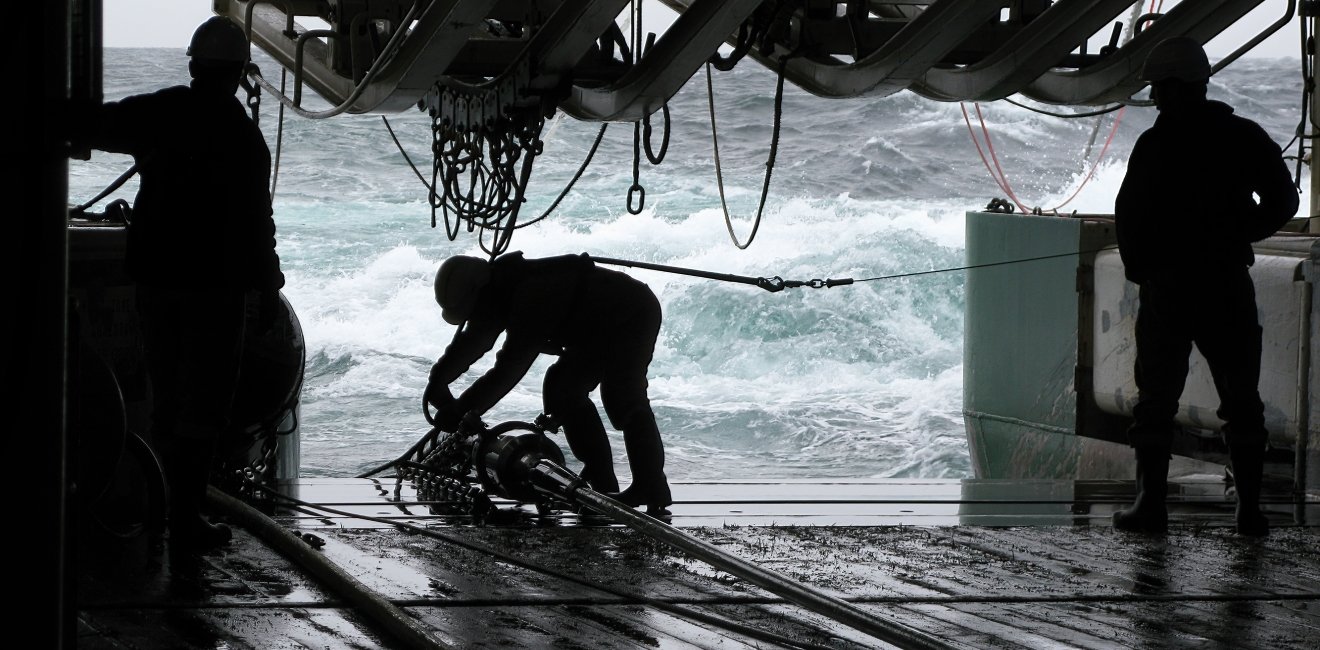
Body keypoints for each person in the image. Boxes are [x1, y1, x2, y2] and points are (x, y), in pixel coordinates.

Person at [75, 17, 285, 552]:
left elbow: (95, 126)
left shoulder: (161, 112)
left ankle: (169, 513)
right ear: (242, 73)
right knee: (206, 406)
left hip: (159, 283)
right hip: (216, 291)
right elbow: (257, 225)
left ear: (192, 64)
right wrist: (268, 288)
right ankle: (186, 518)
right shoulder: (244, 137)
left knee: (167, 399)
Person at [1112, 36, 1298, 536]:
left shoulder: (1156, 144)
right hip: (1226, 284)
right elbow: (1283, 200)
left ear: (1174, 88)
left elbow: (1128, 217)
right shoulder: (1244, 135)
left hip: (1169, 289)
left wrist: (1141, 269)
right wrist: (1243, 233)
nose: (1153, 98)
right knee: (1242, 400)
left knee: (1156, 400)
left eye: (1157, 88)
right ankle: (1249, 511)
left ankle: (1150, 505)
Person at [424, 252, 672, 515]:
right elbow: (474, 340)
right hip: (593, 330)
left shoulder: (532, 295)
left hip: (630, 313)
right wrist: (438, 380)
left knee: (622, 396)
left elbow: (509, 369)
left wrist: (461, 409)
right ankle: (601, 477)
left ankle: (651, 485)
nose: (472, 316)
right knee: (562, 389)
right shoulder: (494, 293)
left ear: (479, 291)